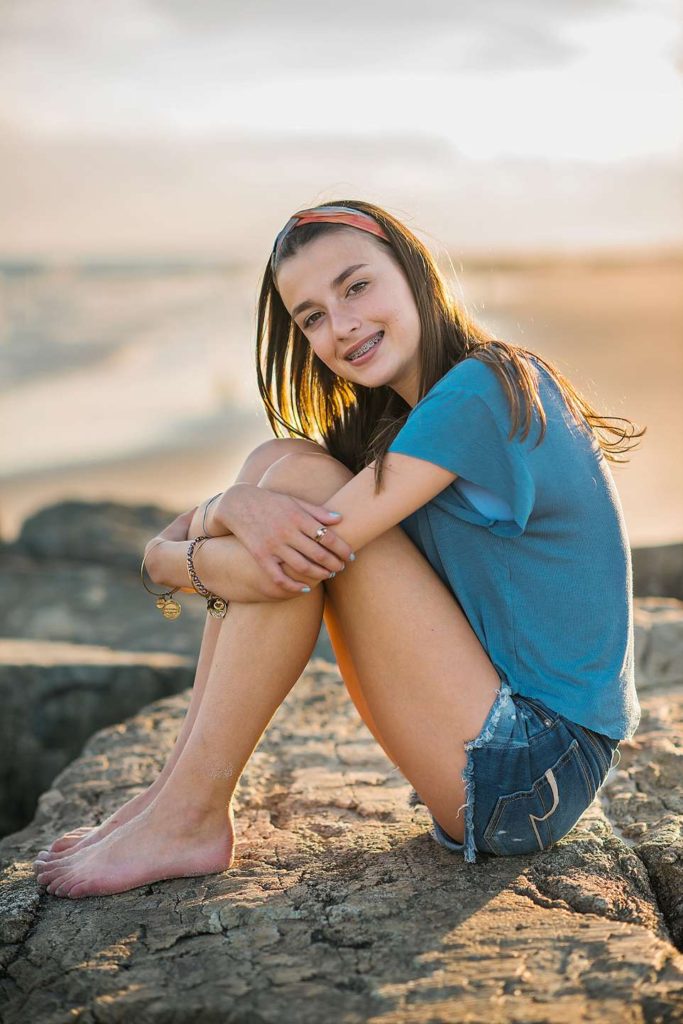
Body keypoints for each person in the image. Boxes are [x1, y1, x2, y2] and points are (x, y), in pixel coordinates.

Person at [34, 200, 645, 898]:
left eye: (356, 286)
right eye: (312, 317)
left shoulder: (480, 388)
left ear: (413, 273)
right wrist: (230, 506)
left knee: (295, 494)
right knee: (281, 461)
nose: (342, 325)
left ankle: (187, 814)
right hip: (518, 762)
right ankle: (173, 796)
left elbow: (279, 566)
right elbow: (274, 540)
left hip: (536, 767)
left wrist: (165, 560)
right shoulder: (407, 421)